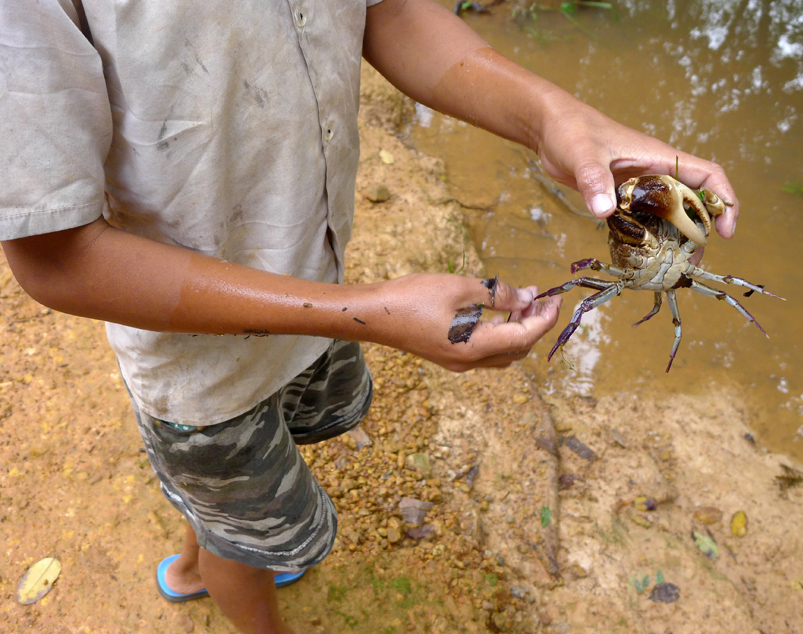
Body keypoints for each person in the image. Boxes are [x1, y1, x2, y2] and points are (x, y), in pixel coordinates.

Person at [0, 0, 739, 632]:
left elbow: (384, 10)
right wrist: (366, 315)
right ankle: (215, 571)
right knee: (245, 541)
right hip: (199, 367)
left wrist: (556, 117)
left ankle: (206, 544)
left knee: (235, 498)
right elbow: (56, 256)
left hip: (315, 283)